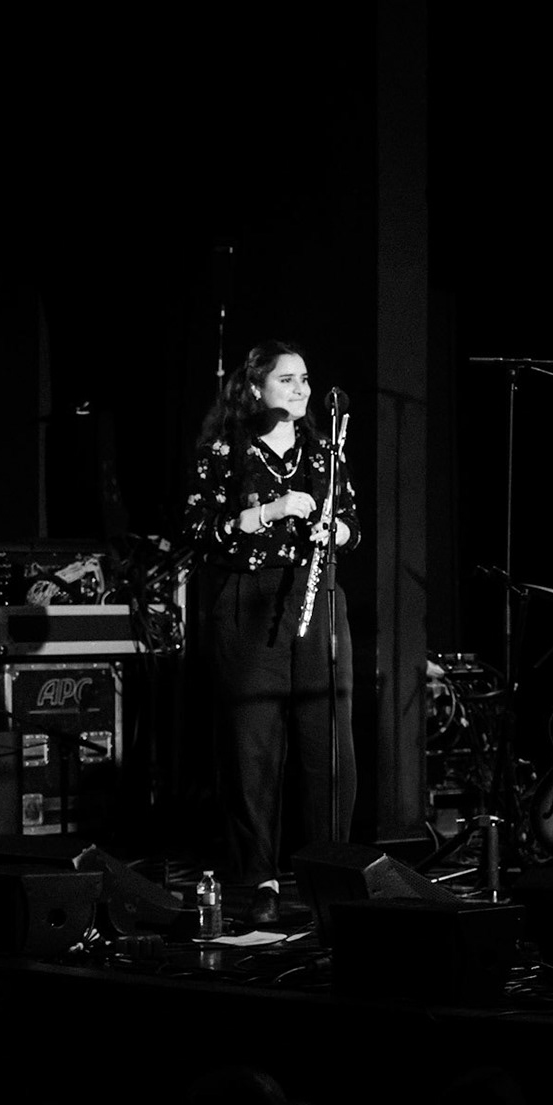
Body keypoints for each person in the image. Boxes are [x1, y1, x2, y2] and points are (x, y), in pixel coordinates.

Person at [183, 340, 359, 925]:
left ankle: (329, 873)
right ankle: (261, 879)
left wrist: (335, 531)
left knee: (328, 744)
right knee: (252, 748)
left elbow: (353, 525)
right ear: (256, 388)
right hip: (247, 601)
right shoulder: (223, 451)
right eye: (287, 379)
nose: (301, 389)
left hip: (316, 597)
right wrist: (269, 512)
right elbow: (198, 531)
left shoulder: (324, 451)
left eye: (305, 378)